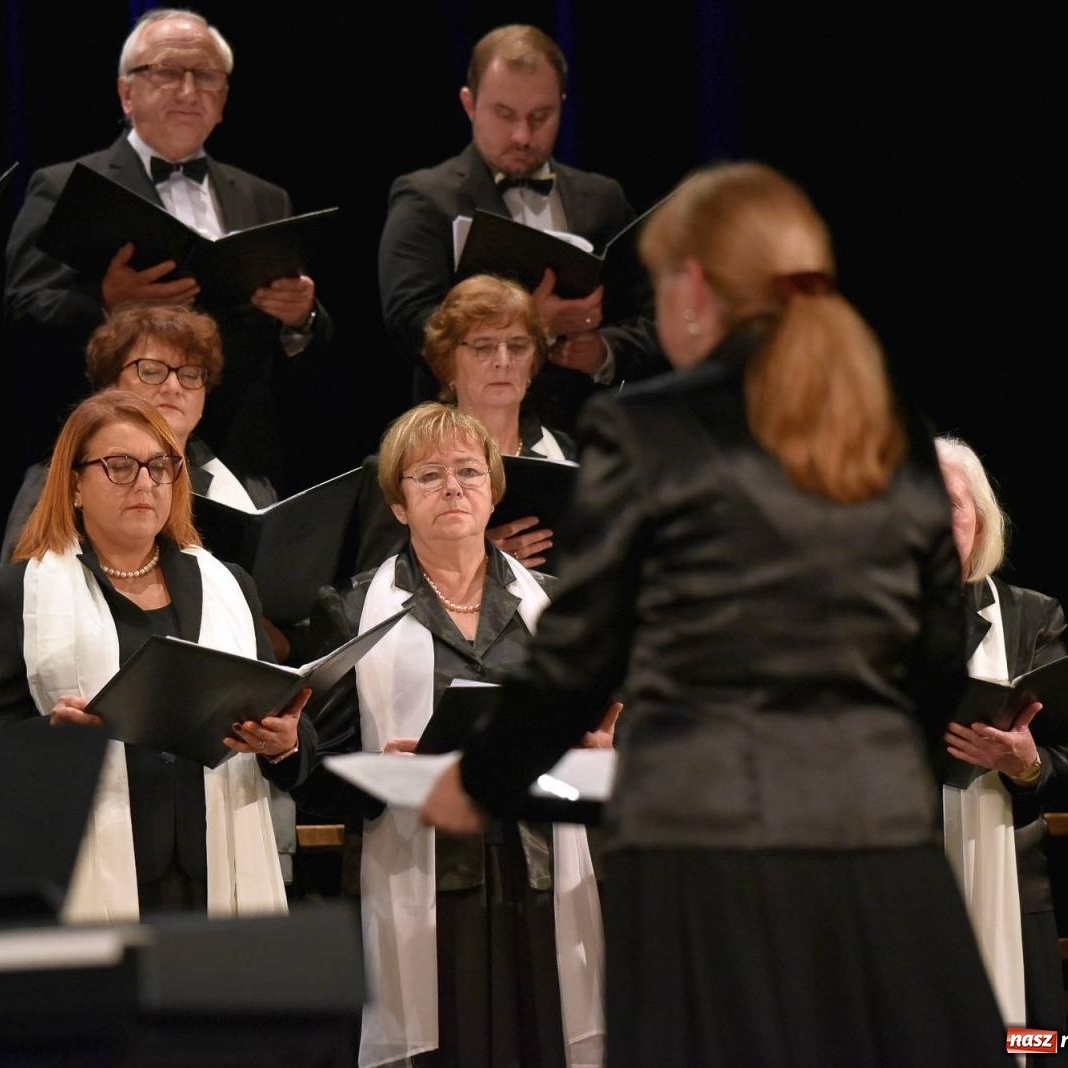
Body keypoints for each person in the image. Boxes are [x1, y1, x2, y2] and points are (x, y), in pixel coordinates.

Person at [420, 162, 1010, 1066]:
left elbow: (582, 655)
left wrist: (481, 780)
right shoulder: (890, 432)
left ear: (695, 285)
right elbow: (938, 663)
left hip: (711, 858)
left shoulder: (650, 431)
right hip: (881, 848)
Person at [292, 403, 609, 1067]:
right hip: (432, 880)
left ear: (494, 491)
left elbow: (599, 743)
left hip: (542, 870)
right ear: (399, 505)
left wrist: (600, 757)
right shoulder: (351, 609)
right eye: (428, 476)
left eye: (469, 471)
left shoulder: (554, 605)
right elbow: (324, 777)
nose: (453, 487)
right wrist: (380, 769)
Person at [0, 390, 311, 920]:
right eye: (120, 466)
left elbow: (287, 726)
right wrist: (49, 740)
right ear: (74, 484)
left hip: (219, 873)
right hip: (86, 872)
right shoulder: (17, 594)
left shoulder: (229, 586)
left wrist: (285, 742)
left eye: (159, 466)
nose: (145, 482)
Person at [4, 7, 332, 488]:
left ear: (223, 100)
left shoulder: (266, 197)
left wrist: (301, 316)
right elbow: (23, 312)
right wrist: (107, 304)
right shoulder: (66, 186)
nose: (188, 90)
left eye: (205, 76)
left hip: (239, 455)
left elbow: (308, 355)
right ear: (125, 92)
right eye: (167, 72)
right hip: (109, 456)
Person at [378, 24, 664, 426]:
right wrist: (531, 323)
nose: (522, 135)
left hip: (585, 438)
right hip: (464, 444)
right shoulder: (426, 199)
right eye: (504, 114)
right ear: (469, 104)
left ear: (562, 104)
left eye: (541, 116)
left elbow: (655, 316)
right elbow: (411, 324)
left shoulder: (603, 198)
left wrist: (603, 352)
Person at [937, 434, 1068, 1032]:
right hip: (891, 888)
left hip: (1009, 890)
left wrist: (1026, 764)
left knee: (1022, 1042)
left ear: (978, 520)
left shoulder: (1031, 617)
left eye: (950, 503)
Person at [0, 303, 274, 564]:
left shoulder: (252, 491)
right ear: (110, 385)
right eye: (152, 371)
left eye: (190, 375)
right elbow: (20, 579)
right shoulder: (61, 478)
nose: (173, 386)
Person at [355, 275, 572, 573]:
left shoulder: (567, 452)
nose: (503, 361)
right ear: (448, 363)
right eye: (483, 347)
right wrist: (474, 558)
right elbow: (370, 586)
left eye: (519, 346)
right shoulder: (402, 464)